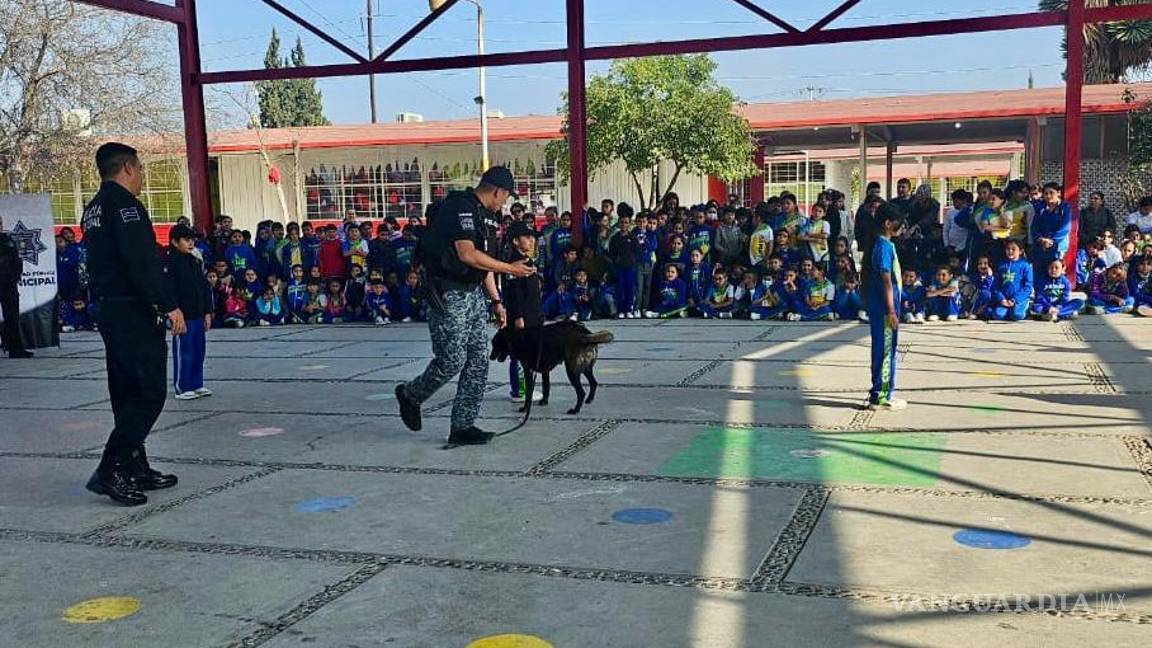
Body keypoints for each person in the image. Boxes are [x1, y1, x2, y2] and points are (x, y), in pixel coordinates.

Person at [394, 166, 534, 447]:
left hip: (473, 294)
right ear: (498, 190)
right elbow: (467, 254)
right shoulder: (460, 206)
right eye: (504, 197)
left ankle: (463, 425)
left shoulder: (489, 218)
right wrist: (510, 268)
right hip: (448, 293)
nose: (504, 203)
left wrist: (496, 301)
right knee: (452, 359)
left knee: (479, 359)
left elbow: (485, 264)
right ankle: (411, 394)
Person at [81, 142, 182, 506]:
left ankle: (135, 466)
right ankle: (111, 468)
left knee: (126, 391)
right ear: (126, 167)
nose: (141, 177)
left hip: (109, 308)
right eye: (139, 169)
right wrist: (168, 304)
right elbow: (141, 261)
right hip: (132, 309)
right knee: (148, 392)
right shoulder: (125, 207)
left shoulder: (92, 208)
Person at [866, 204, 906, 411]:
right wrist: (891, 311)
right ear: (888, 223)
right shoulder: (882, 247)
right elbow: (886, 281)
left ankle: (885, 391)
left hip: (888, 306)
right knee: (885, 350)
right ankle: (880, 395)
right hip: (884, 309)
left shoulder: (886, 245)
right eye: (898, 222)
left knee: (887, 349)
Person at [166, 224, 213, 400]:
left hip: (198, 314)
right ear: (174, 242)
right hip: (182, 315)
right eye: (186, 240)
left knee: (198, 350)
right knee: (184, 350)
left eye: (192, 239)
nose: (191, 243)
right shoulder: (170, 264)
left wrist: (207, 312)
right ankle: (182, 386)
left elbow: (204, 288)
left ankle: (196, 383)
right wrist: (174, 312)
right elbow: (169, 290)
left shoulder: (195, 261)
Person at [0, 215, 32, 358]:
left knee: (12, 318)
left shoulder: (8, 239)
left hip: (9, 284)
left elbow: (16, 259)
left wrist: (16, 275)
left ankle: (15, 349)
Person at [991, 239, 1034, 321]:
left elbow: (1028, 287)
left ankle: (1024, 307)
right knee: (998, 315)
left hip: (1018, 299)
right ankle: (1007, 311)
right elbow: (995, 285)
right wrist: (1001, 299)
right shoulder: (1001, 265)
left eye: (1013, 249)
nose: (1010, 251)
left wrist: (1015, 299)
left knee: (1017, 315)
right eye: (1008, 249)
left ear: (1020, 251)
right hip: (1004, 299)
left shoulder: (1025, 265)